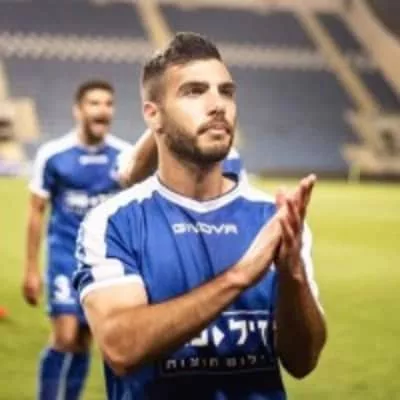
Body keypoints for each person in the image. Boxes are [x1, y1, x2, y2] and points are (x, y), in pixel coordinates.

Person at [74, 33, 327, 400]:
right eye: (194, 92)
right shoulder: (113, 222)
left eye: (226, 92)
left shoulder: (274, 220)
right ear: (153, 115)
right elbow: (121, 348)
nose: (217, 105)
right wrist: (239, 277)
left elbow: (303, 362)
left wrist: (293, 276)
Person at [22, 80, 132, 400]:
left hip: (103, 264)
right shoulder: (53, 154)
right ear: (78, 110)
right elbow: (36, 212)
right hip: (64, 256)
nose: (103, 110)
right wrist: (31, 269)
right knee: (65, 336)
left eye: (108, 104)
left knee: (84, 340)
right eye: (94, 103)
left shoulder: (125, 156)